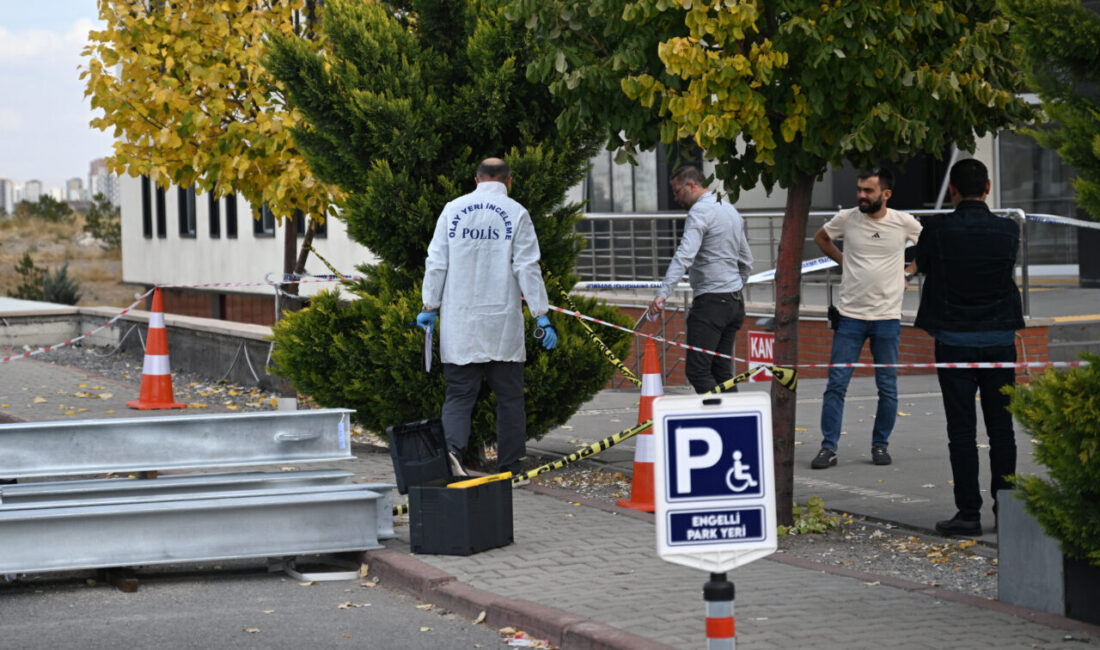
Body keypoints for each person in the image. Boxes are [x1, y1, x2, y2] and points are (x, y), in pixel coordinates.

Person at [416, 158, 557, 479]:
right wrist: (541, 315)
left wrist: (429, 306)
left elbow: (436, 262)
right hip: (501, 323)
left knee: (459, 396)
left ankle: (452, 455)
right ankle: (511, 466)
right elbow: (527, 267)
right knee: (509, 399)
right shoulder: (517, 213)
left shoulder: (453, 210)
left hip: (460, 324)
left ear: (476, 180)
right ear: (508, 182)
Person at [912, 158, 1024, 536]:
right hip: (999, 340)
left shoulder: (937, 229)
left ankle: (968, 514)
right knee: (1001, 428)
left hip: (954, 340)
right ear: (988, 187)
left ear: (953, 191)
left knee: (961, 430)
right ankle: (1007, 508)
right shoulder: (1009, 230)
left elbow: (921, 265)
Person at [811, 168, 922, 469]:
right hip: (850, 317)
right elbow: (821, 238)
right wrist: (844, 262)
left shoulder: (904, 223)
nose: (861, 195)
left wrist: (908, 272)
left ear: (886, 194)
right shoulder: (847, 218)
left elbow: (928, 245)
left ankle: (880, 445)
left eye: (868, 191)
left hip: (887, 318)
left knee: (887, 386)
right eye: (859, 189)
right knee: (836, 384)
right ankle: (828, 447)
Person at [647, 164, 753, 394]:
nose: (675, 198)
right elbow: (747, 261)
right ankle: (734, 425)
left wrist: (662, 294)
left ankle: (721, 422)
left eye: (677, 191)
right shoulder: (729, 209)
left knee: (698, 371)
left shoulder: (699, 212)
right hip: (734, 302)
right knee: (722, 372)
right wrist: (733, 285)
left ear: (691, 185)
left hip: (711, 303)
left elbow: (684, 255)